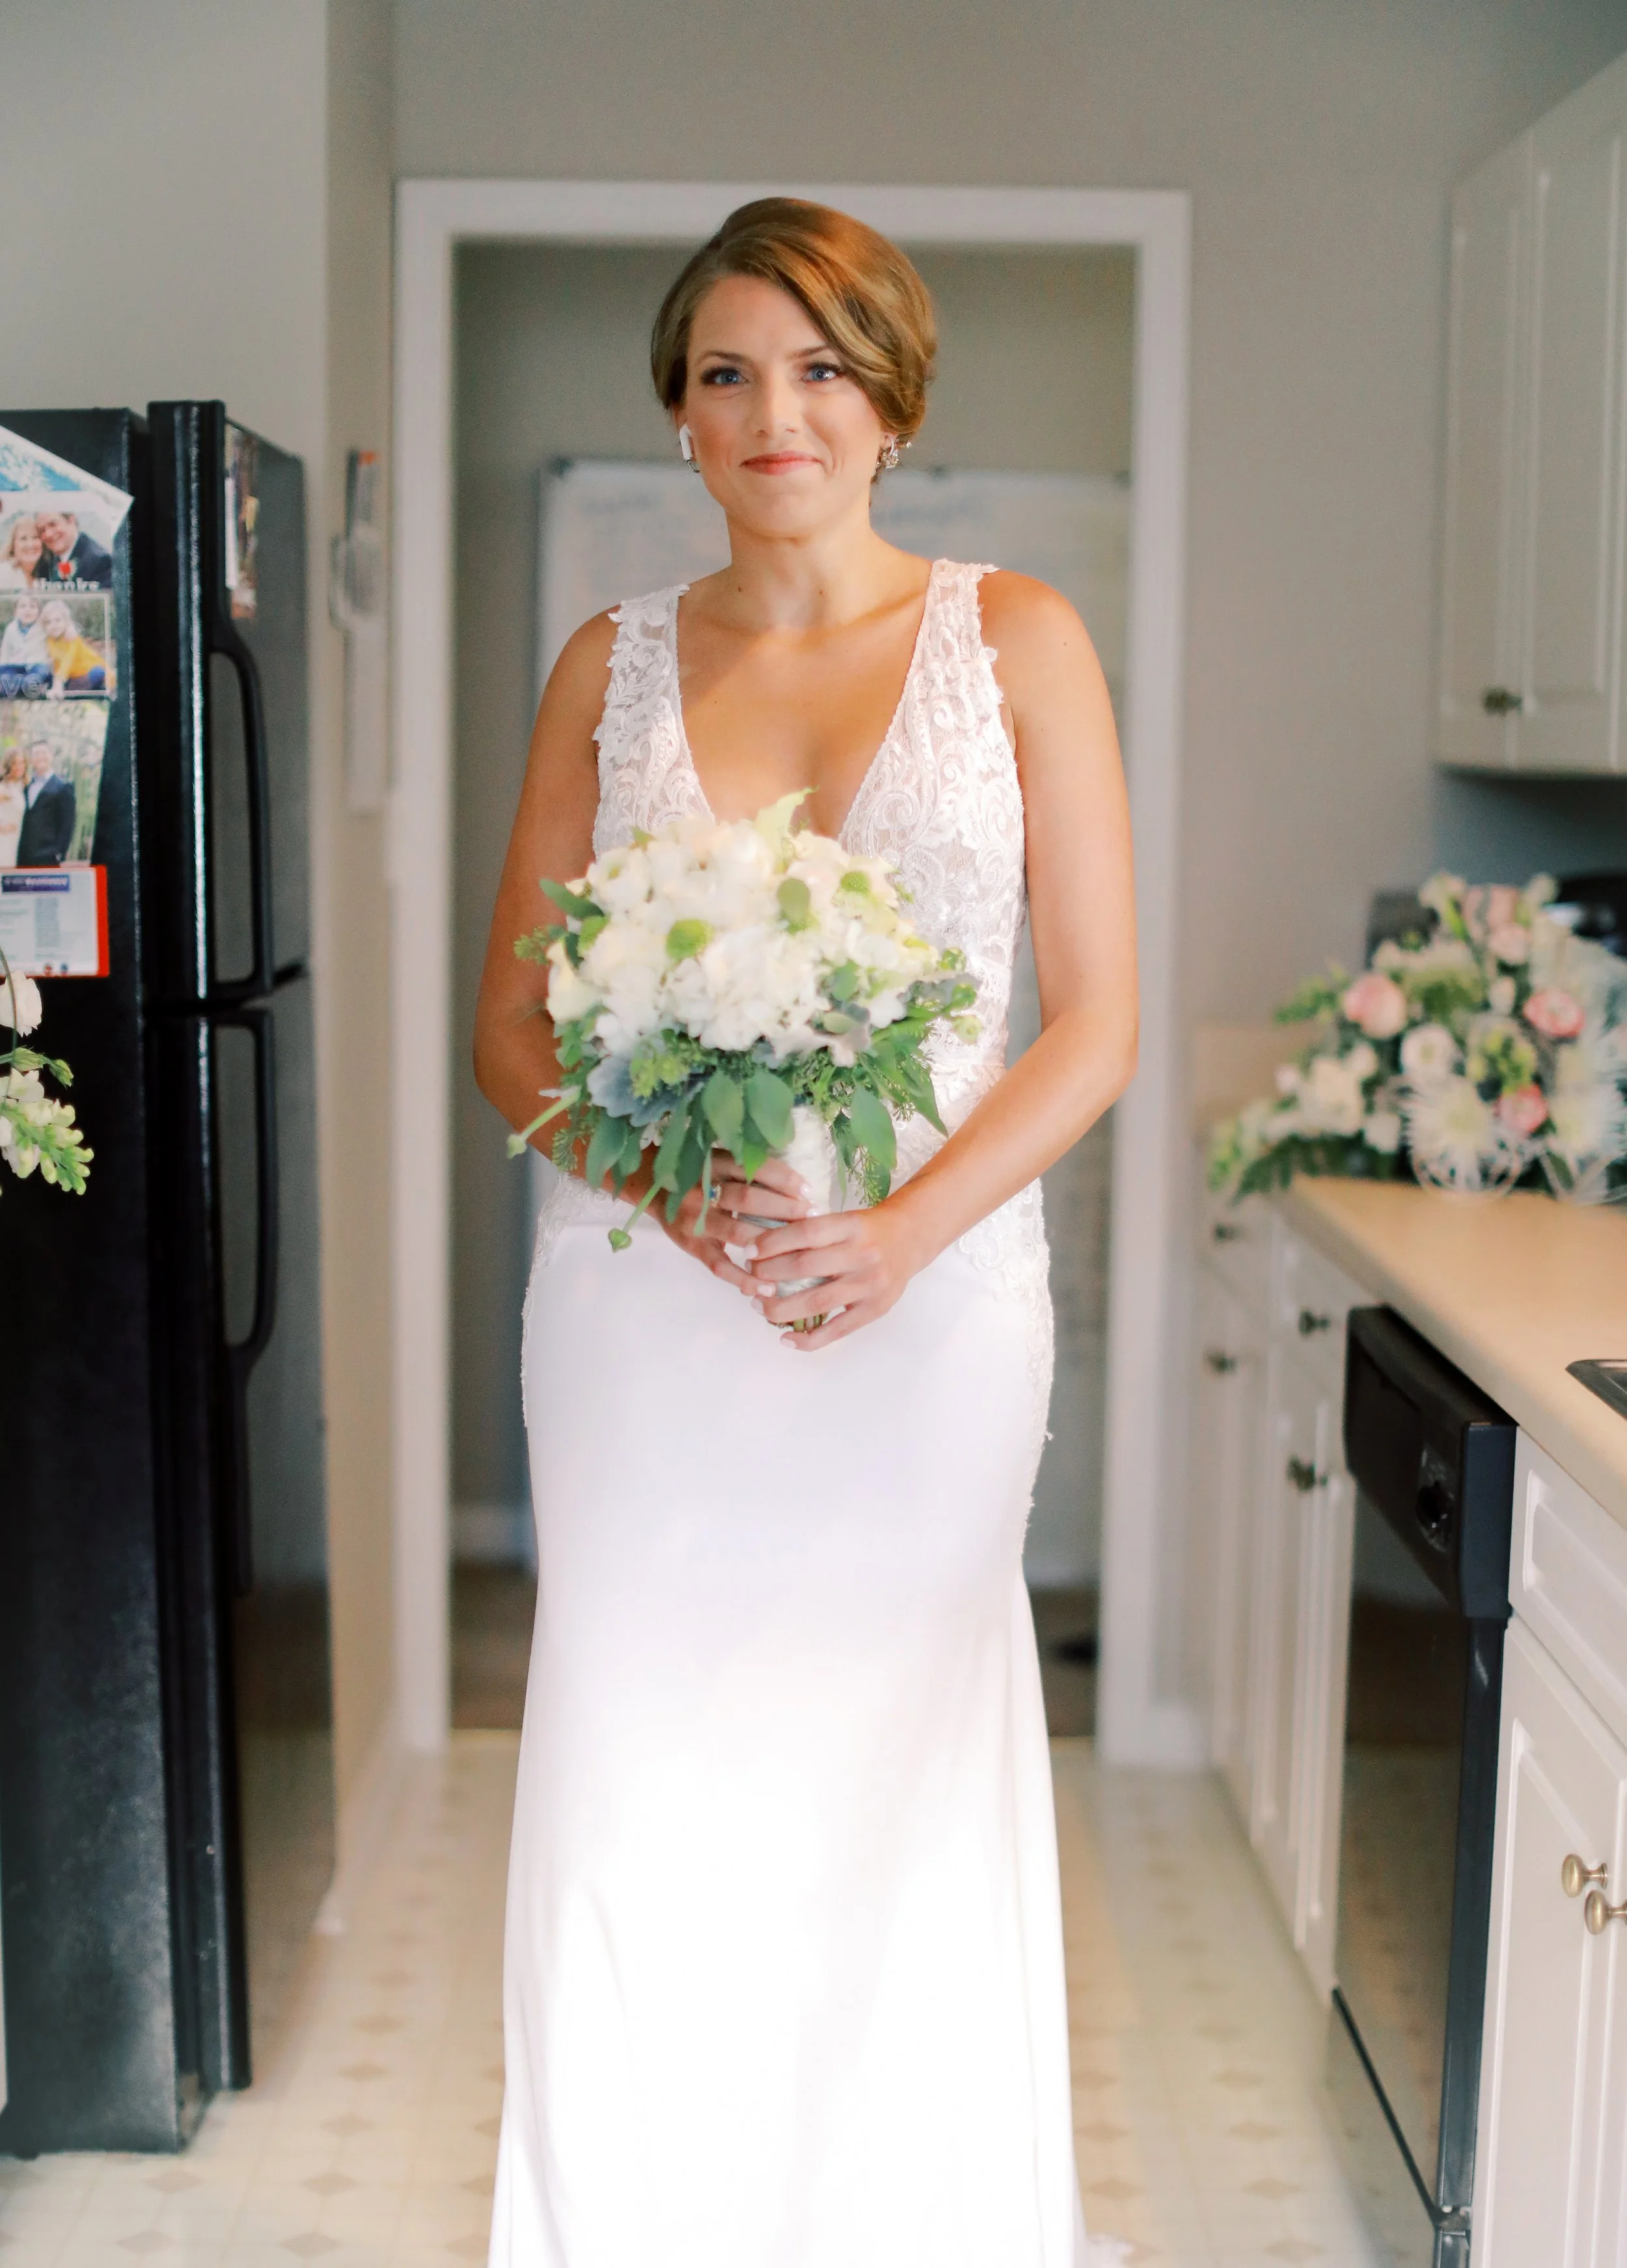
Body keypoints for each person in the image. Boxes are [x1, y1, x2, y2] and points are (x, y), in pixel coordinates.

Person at [474, 199, 1137, 2268]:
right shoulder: (606, 667)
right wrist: (677, 1203)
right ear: (677, 415)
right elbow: (510, 1030)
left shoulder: (1019, 638)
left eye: (822, 368)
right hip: (645, 1321)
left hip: (926, 1326)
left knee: (891, 1783)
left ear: (893, 400)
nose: (778, 413)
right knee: (638, 1778)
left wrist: (901, 1235)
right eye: (727, 373)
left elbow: (1093, 1022)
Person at [16, 738, 77, 866]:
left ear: (51, 756)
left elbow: (68, 823)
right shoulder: (26, 785)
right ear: (31, 759)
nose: (40, 757)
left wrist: (59, 853)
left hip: (48, 855)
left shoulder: (63, 786)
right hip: (23, 854)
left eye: (44, 753)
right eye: (36, 754)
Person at [33, 505, 113, 590]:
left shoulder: (100, 561)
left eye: (53, 525)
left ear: (71, 520)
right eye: (42, 530)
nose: (48, 534)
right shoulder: (46, 563)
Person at [38, 596, 107, 697]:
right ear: (44, 626)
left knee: (99, 672)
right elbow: (55, 663)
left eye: (58, 620)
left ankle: (70, 689)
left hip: (84, 671)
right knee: (45, 673)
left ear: (66, 621)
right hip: (68, 676)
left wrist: (59, 681)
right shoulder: (50, 640)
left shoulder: (72, 638)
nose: (54, 625)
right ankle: (63, 688)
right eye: (49, 622)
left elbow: (68, 660)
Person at [0, 591, 53, 696]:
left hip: (37, 665)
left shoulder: (44, 627)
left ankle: (29, 685)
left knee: (40, 672)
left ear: (39, 611)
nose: (28, 611)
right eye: (23, 607)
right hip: (16, 665)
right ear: (16, 611)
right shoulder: (11, 628)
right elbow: (6, 652)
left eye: (33, 607)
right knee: (5, 673)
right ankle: (15, 683)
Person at [0, 512, 46, 590]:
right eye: (23, 538)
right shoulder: (4, 573)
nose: (30, 544)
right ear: (13, 545)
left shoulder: (46, 574)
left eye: (35, 537)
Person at [0, 749, 25, 866]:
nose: (19, 767)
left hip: (14, 842)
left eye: (22, 763)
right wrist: (2, 828)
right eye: (15, 763)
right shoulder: (3, 787)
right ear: (9, 765)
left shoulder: (19, 786)